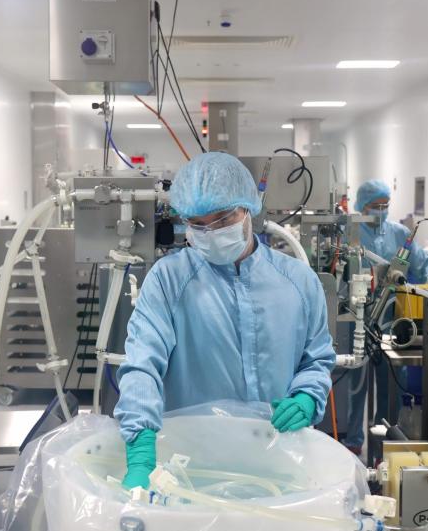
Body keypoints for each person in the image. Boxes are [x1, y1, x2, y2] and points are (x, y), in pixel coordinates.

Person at [114, 151, 337, 490]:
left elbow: (316, 360)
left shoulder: (298, 281)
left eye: (222, 220)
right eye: (197, 226)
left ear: (247, 208)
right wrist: (141, 451)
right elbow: (142, 365)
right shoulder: (170, 279)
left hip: (278, 458)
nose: (211, 233)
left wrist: (307, 396)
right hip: (191, 467)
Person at [340, 180, 428, 454]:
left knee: (391, 383)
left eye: (385, 206)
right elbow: (338, 268)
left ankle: (385, 436)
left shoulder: (400, 234)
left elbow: (423, 263)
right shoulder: (349, 233)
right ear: (362, 206)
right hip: (358, 316)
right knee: (357, 380)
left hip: (392, 318)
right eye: (375, 206)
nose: (381, 211)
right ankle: (353, 439)